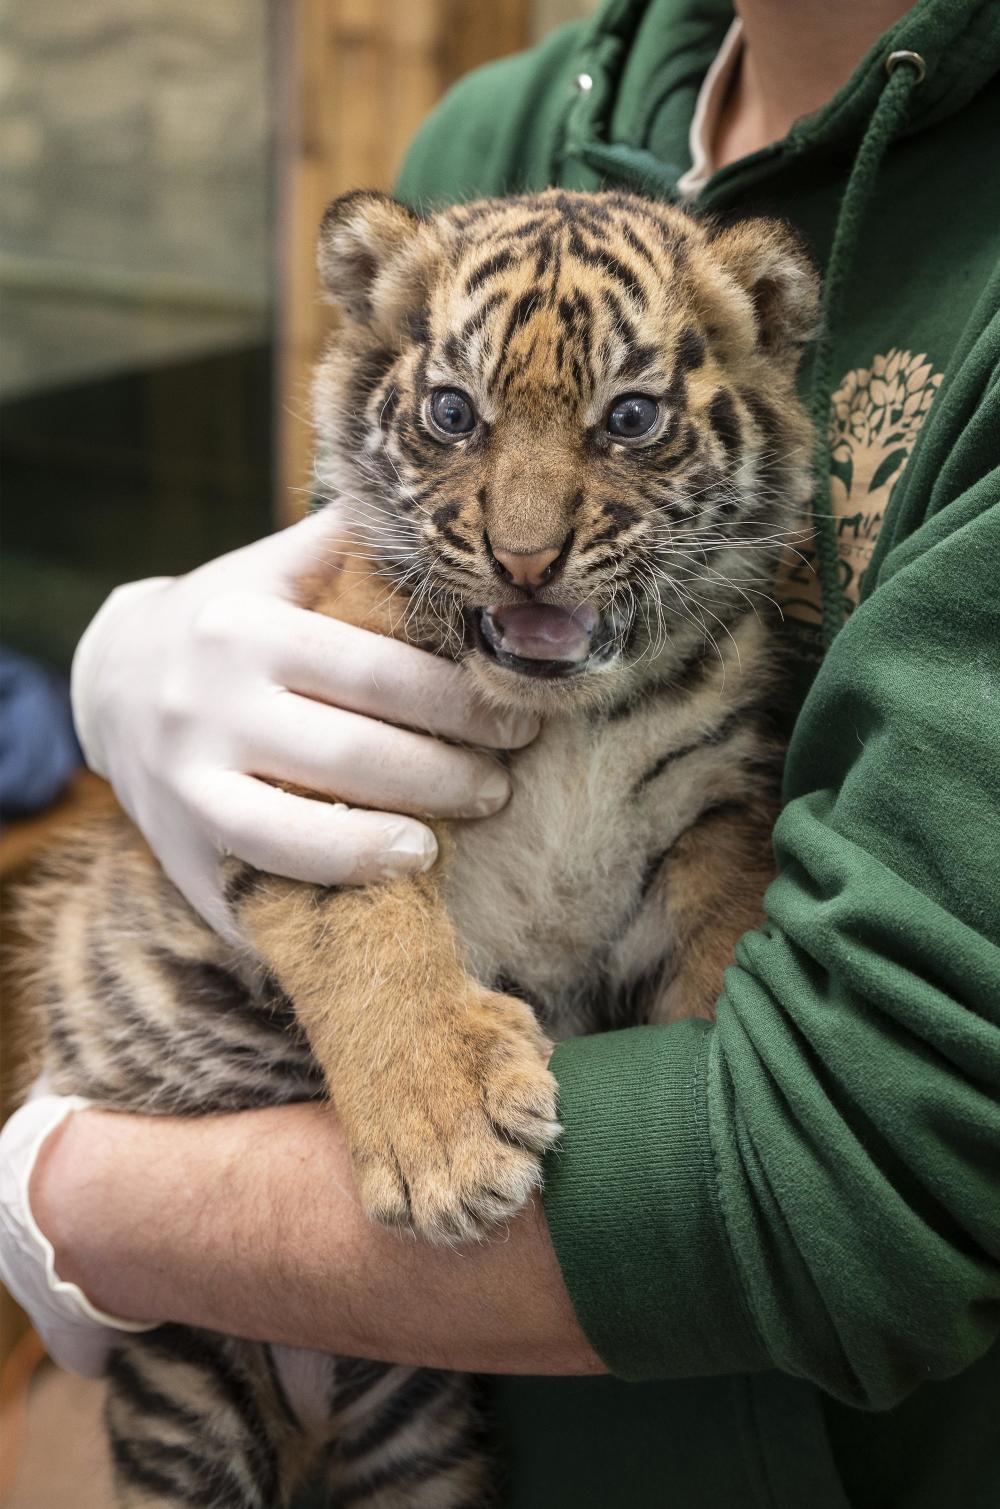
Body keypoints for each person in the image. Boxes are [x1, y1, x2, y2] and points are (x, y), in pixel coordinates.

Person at [3, 0, 999, 1503]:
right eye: (459, 420)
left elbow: (861, 1185)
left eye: (637, 424)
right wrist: (127, 662)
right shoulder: (492, 129)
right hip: (458, 1386)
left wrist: (85, 1205)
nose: (526, 535)